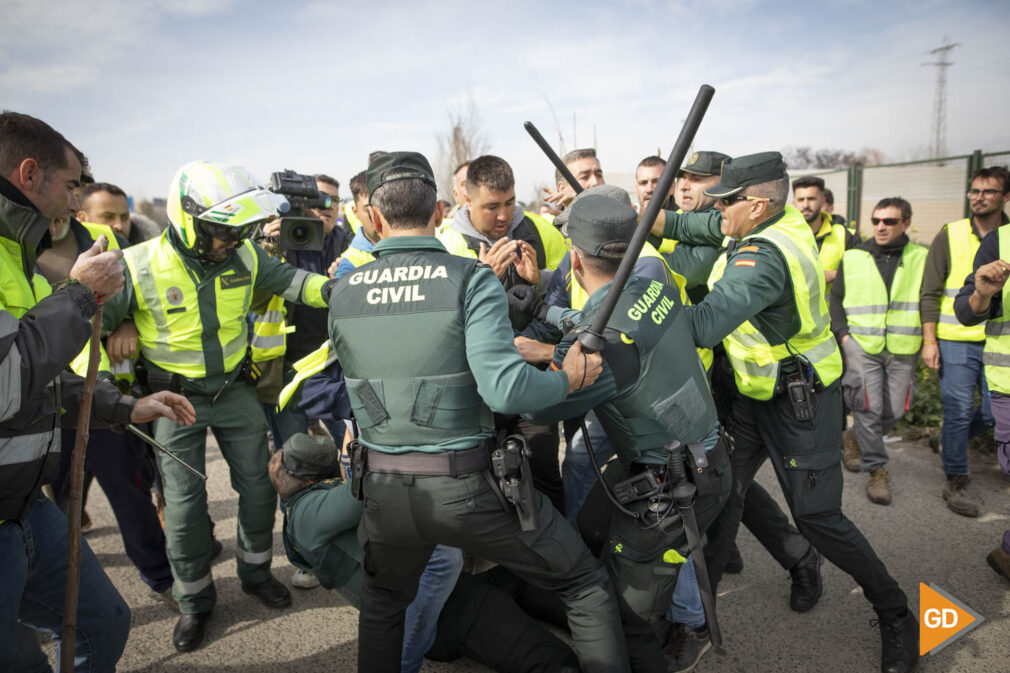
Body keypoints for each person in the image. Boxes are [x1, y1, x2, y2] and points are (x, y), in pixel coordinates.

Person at [326, 151, 628, 673]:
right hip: (466, 488)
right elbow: (507, 390)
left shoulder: (342, 290)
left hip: (384, 492)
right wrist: (567, 379)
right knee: (583, 582)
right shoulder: (469, 278)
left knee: (383, 608)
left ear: (372, 219)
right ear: (440, 209)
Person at [653, 151, 918, 673]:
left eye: (725, 200)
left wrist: (632, 308)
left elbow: (703, 324)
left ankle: (895, 611)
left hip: (800, 402)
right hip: (754, 394)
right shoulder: (767, 218)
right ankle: (697, 617)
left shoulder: (764, 258)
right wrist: (644, 218)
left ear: (754, 204)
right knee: (719, 493)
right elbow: (695, 221)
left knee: (818, 517)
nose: (714, 206)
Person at [101, 160, 336, 652]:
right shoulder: (137, 264)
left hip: (235, 392)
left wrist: (348, 290)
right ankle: (194, 602)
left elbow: (299, 284)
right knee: (184, 508)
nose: (230, 242)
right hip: (173, 400)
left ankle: (255, 573)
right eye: (220, 232)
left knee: (256, 487)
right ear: (188, 219)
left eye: (237, 232)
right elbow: (93, 327)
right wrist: (117, 332)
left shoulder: (247, 257)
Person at [0, 110, 195, 672]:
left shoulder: (20, 252)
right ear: (29, 174)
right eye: (70, 187)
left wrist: (126, 405)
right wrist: (80, 297)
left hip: (24, 505)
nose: (73, 202)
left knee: (103, 623)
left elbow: (36, 376)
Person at [519, 192, 732, 673]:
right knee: (621, 534)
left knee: (630, 597)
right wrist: (547, 317)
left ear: (574, 258)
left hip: (672, 485)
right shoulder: (653, 277)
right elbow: (607, 317)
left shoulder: (597, 345)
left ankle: (679, 632)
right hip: (707, 455)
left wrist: (536, 357)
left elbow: (540, 401)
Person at [271, 433, 579, 673]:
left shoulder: (304, 509)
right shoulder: (308, 514)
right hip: (444, 611)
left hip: (441, 595)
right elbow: (375, 483)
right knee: (550, 658)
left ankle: (592, 618)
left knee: (521, 579)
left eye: (280, 461)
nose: (273, 464)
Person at [439, 154, 568, 512]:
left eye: (510, 203)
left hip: (534, 382)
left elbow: (573, 289)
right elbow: (438, 326)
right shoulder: (445, 244)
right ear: (466, 199)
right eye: (491, 206)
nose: (503, 215)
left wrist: (539, 280)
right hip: (476, 393)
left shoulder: (542, 230)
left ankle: (559, 560)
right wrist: (481, 285)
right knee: (484, 485)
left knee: (544, 475)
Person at [920, 166, 1010, 517]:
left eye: (988, 192)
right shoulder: (951, 234)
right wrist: (930, 340)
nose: (978, 197)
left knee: (991, 415)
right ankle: (956, 479)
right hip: (957, 338)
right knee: (957, 413)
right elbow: (929, 290)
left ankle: (945, 441)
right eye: (974, 191)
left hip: (999, 345)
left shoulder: (1005, 237)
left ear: (1004, 197)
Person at [831, 197, 926, 504]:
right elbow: (837, 299)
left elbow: (930, 300)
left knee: (894, 410)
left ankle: (854, 436)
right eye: (876, 221)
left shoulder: (921, 257)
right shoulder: (855, 256)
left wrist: (930, 339)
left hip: (903, 346)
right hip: (862, 345)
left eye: (889, 221)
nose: (881, 227)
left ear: (906, 224)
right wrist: (844, 337)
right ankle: (877, 470)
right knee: (868, 408)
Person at [952, 229, 1010, 581]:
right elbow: (966, 311)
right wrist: (981, 294)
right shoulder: (1000, 241)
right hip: (1008, 383)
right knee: (959, 411)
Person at [792, 175, 858, 288]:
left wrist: (833, 274)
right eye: (801, 200)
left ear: (822, 201)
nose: (805, 205)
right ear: (794, 203)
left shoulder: (846, 236)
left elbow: (861, 273)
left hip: (832, 306)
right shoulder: (784, 235)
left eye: (811, 199)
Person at [333, 171, 379, 279]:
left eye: (384, 207)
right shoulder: (349, 264)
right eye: (369, 211)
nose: (379, 218)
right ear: (355, 212)